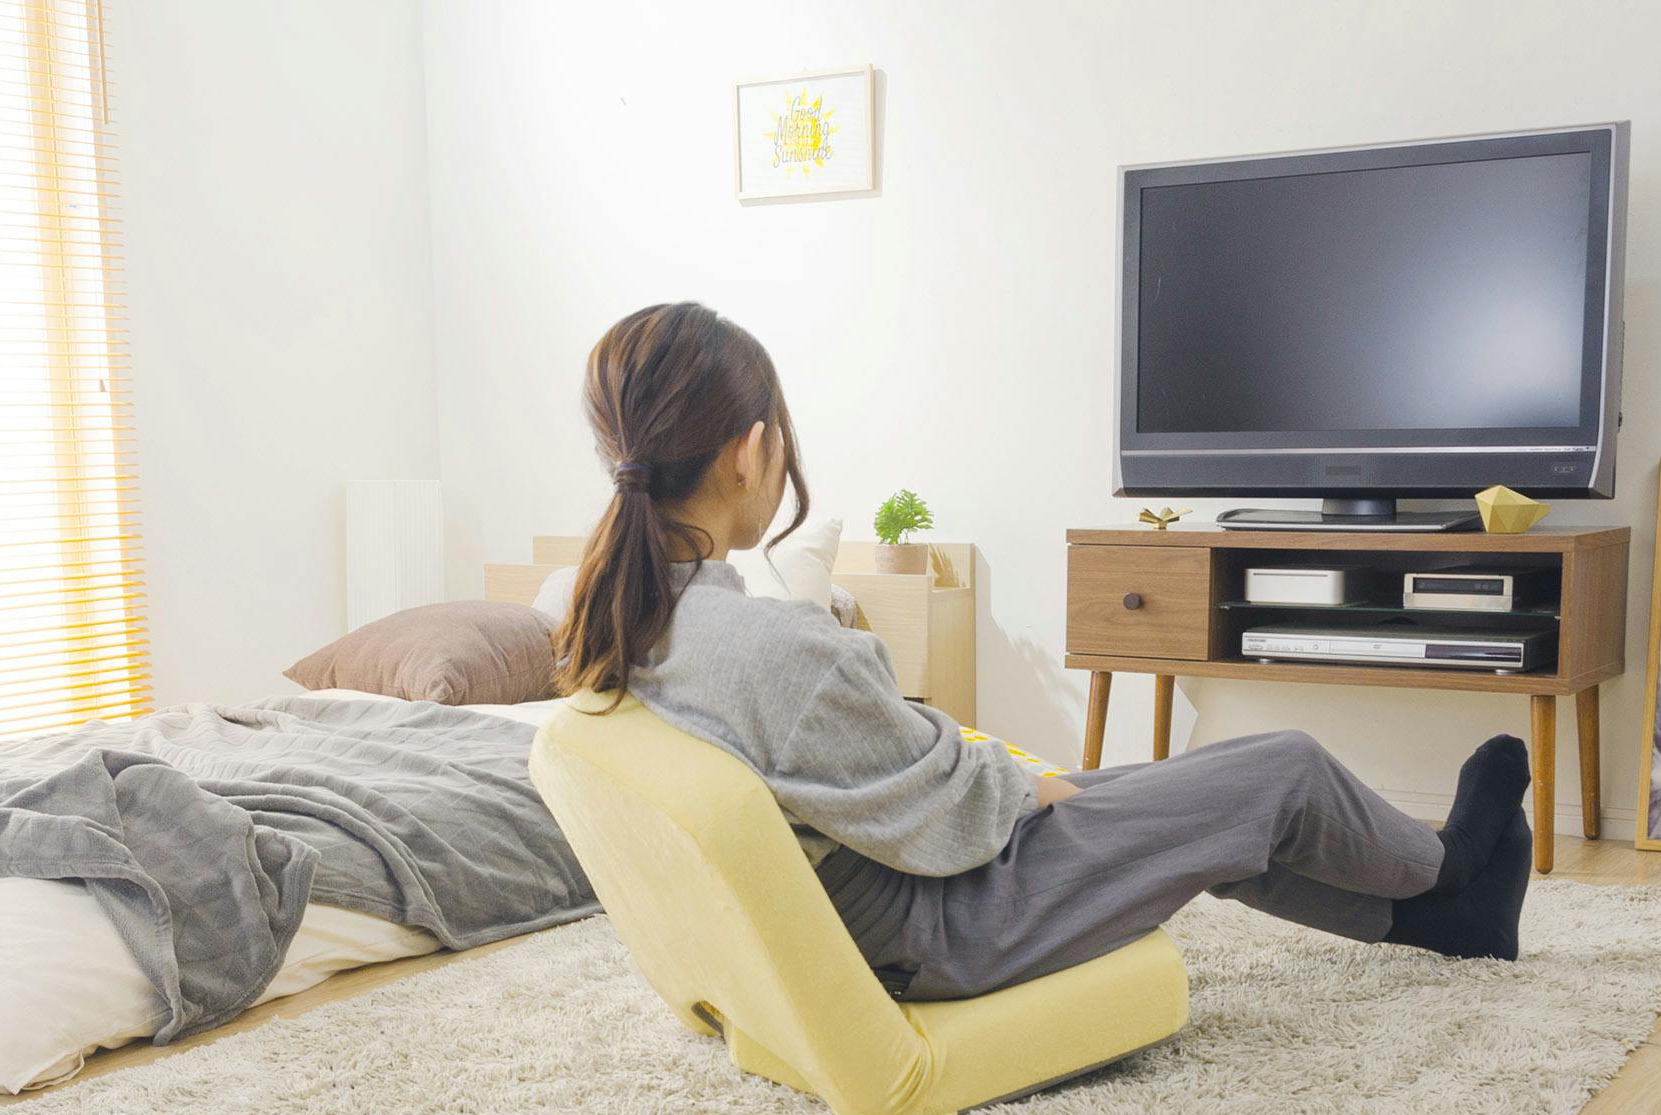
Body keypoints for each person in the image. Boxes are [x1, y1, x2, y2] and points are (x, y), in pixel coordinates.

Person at [553, 302, 1534, 1002]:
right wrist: (1025, 785)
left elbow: (893, 778)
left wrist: (1014, 778)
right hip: (942, 921)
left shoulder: (624, 621)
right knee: (1280, 770)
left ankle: (1438, 923)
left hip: (888, 904)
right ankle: (1448, 868)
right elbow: (952, 808)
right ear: (748, 451)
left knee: (1198, 797)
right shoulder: (776, 647)